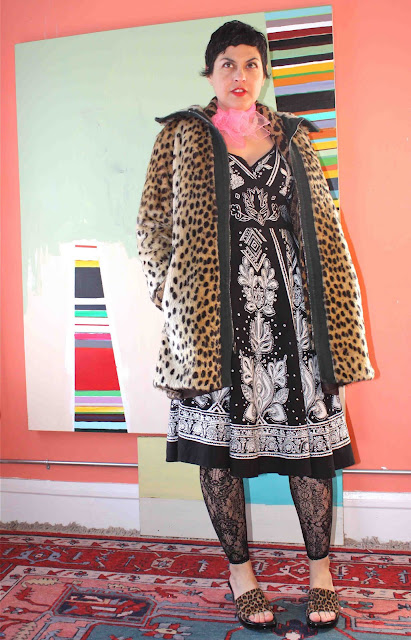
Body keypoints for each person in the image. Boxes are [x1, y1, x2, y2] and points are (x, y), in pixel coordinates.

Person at [137, 20, 374, 632]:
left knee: (309, 451)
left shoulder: (293, 136)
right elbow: (152, 222)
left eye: (250, 64)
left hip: (293, 312)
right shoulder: (181, 135)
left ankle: (320, 575)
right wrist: (170, 291)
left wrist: (332, 309)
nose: (239, 75)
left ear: (263, 73)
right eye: (228, 64)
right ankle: (242, 576)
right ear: (210, 72)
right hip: (212, 320)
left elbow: (324, 224)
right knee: (218, 451)